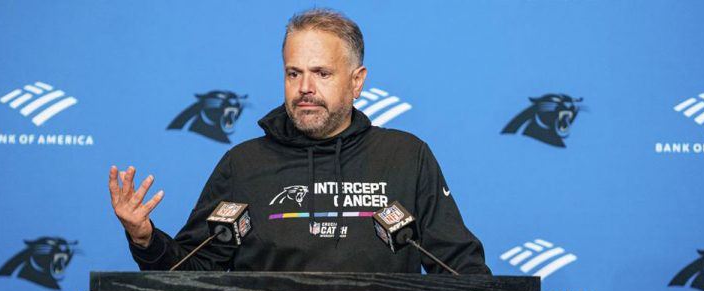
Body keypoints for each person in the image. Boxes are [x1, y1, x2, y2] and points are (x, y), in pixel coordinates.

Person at [108, 8, 490, 274]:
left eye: (321, 73)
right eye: (294, 73)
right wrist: (145, 239)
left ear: (357, 81)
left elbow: (460, 269)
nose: (304, 89)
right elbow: (191, 272)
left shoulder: (407, 157)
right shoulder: (243, 165)